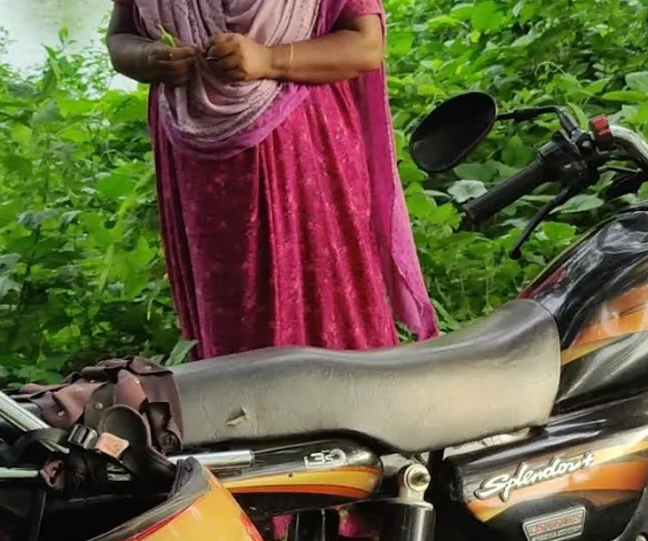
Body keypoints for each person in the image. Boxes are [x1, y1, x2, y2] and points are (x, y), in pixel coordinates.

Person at [105, 0, 438, 360]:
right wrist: (147, 57)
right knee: (230, 328)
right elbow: (121, 37)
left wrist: (269, 59)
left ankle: (347, 393)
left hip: (306, 161)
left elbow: (366, 45)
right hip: (199, 178)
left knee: (329, 317)